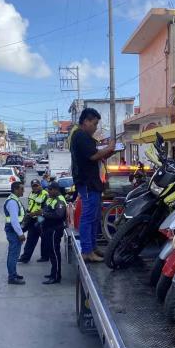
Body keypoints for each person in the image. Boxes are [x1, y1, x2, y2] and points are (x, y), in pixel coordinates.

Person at [70, 107, 115, 262]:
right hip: (87, 182)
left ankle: (92, 247)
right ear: (86, 121)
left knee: (95, 217)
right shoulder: (81, 136)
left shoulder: (83, 137)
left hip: (92, 183)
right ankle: (87, 251)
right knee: (88, 217)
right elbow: (93, 156)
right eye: (94, 124)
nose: (96, 127)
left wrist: (109, 152)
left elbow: (96, 155)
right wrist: (108, 148)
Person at [41, 181, 67, 284]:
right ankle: (53, 272)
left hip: (54, 229)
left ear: (56, 189)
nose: (48, 191)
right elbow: (45, 212)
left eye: (50, 190)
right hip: (48, 229)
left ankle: (56, 276)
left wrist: (43, 213)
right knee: (51, 252)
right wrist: (39, 221)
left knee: (55, 253)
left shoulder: (60, 200)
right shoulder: (51, 199)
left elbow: (59, 215)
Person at [18, 179, 48, 263]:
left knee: (44, 238)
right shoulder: (31, 194)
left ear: (40, 185)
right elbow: (31, 205)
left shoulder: (45, 194)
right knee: (31, 238)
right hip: (31, 218)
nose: (35, 187)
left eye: (37, 185)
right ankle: (25, 258)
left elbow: (46, 209)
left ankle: (45, 256)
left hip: (41, 218)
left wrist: (35, 214)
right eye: (33, 186)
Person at [4, 181, 27, 285]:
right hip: (13, 231)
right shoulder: (12, 202)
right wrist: (20, 234)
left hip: (13, 230)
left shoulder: (14, 200)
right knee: (13, 254)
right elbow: (14, 220)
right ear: (15, 189)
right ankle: (12, 277)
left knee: (14, 254)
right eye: (21, 189)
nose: (23, 191)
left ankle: (13, 273)